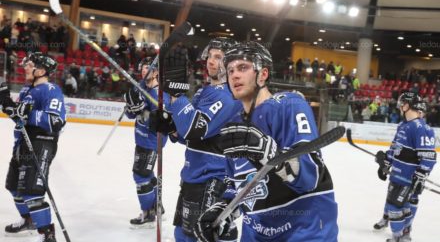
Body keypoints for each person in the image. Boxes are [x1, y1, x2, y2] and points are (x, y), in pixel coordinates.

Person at [194, 41, 338, 241]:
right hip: (256, 232)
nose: (234, 74)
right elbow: (235, 183)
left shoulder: (289, 104)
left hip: (305, 231)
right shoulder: (232, 125)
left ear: (263, 74)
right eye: (230, 70)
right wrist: (222, 211)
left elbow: (309, 176)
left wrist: (267, 152)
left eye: (243, 68)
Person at [150, 37, 241, 242]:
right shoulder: (205, 90)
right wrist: (171, 127)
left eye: (218, 57)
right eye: (210, 55)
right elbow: (188, 134)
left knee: (196, 237)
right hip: (195, 176)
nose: (211, 61)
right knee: (182, 234)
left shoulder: (227, 96)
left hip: (212, 180)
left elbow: (194, 130)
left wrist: (176, 94)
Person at [0, 52, 66, 242]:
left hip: (41, 143)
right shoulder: (26, 90)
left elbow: (56, 121)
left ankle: (47, 234)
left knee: (31, 191)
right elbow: (20, 117)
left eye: (29, 65)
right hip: (22, 142)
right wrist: (7, 104)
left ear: (42, 70)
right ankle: (28, 220)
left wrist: (29, 113)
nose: (25, 67)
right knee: (13, 186)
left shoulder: (51, 90)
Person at [374, 93, 436, 242]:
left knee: (395, 207)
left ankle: (399, 236)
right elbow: (395, 147)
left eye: (402, 103)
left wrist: (420, 177)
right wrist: (386, 163)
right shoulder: (403, 125)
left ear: (408, 105)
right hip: (397, 174)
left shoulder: (421, 128)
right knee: (402, 206)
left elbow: (428, 157)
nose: (399, 107)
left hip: (407, 178)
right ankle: (403, 236)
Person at [124, 58, 170, 228]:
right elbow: (130, 114)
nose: (144, 71)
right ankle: (158, 207)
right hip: (141, 139)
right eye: (142, 68)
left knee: (141, 175)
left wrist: (142, 111)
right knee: (148, 175)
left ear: (157, 72)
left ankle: (148, 214)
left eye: (148, 68)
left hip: (152, 142)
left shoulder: (161, 95)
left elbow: (162, 122)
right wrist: (130, 106)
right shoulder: (141, 88)